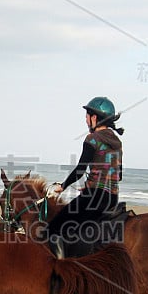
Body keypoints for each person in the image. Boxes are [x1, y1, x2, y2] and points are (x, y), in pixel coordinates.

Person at [48, 96, 123, 257]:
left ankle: (60, 266)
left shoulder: (92, 138)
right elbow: (118, 174)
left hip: (94, 197)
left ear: (94, 117)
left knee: (54, 228)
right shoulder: (117, 142)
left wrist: (62, 186)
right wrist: (93, 183)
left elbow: (80, 169)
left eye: (87, 116)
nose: (86, 120)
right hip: (112, 198)